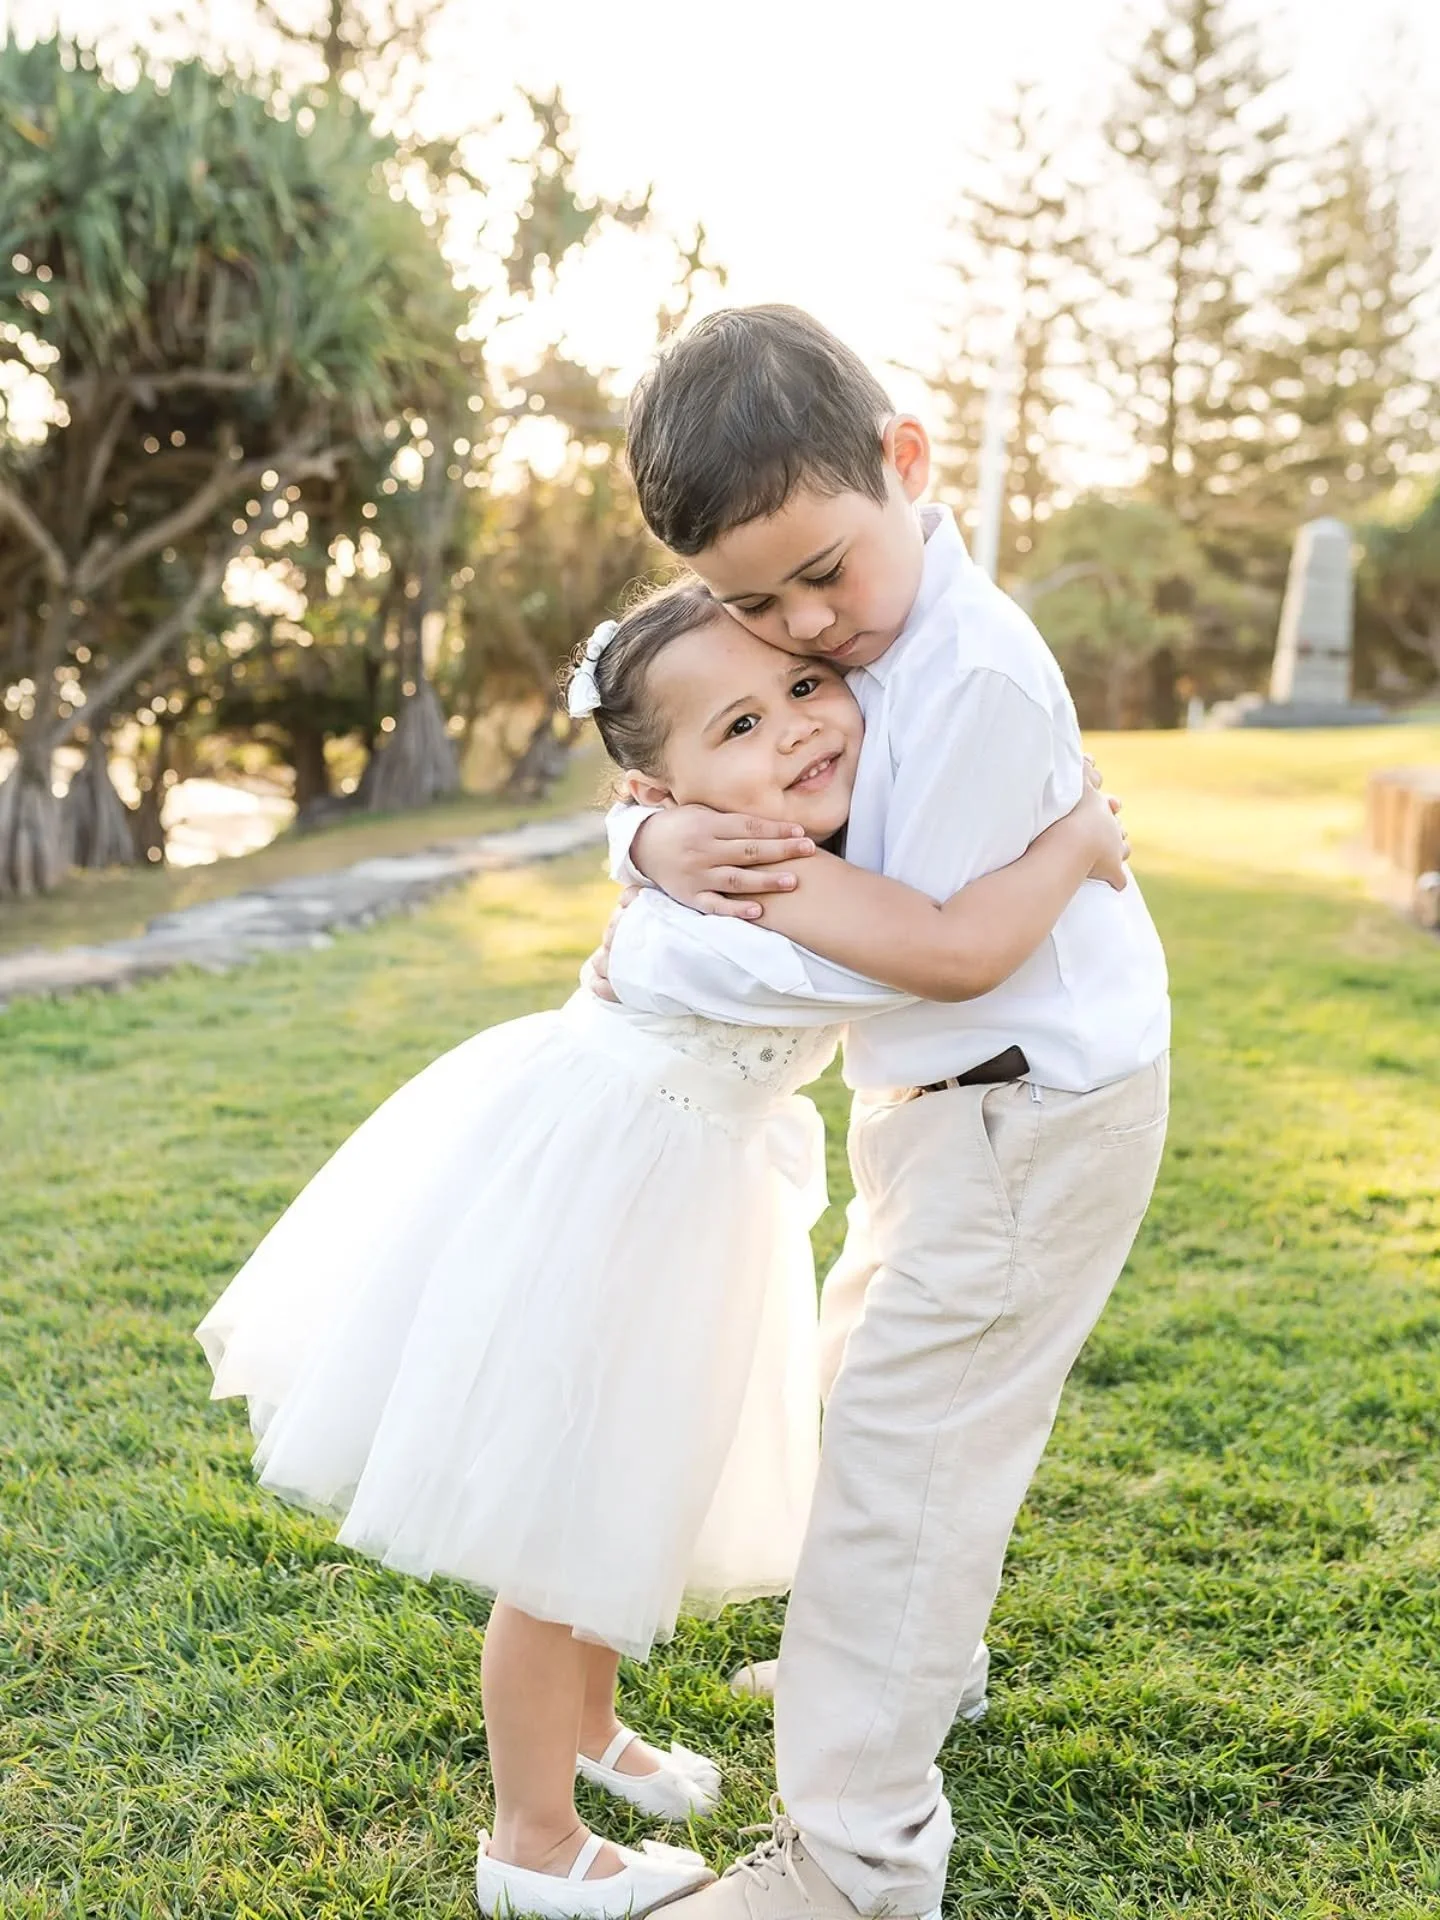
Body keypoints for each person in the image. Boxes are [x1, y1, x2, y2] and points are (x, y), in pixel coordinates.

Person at [195, 578, 1127, 1920]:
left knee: (617, 1483)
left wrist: (638, 837)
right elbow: (953, 951)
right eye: (742, 723)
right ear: (667, 784)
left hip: (665, 1174)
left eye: (806, 688)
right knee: (563, 1518)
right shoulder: (758, 885)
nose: (801, 730)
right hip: (614, 1198)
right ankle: (531, 1842)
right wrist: (1077, 839)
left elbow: (751, 843)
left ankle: (590, 1732)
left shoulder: (721, 839)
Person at [597, 306, 1172, 1920]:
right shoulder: (867, 633)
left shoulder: (974, 669)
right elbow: (667, 745)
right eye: (755, 603)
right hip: (946, 1107)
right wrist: (645, 846)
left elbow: (952, 944)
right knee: (873, 1399)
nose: (802, 631)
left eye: (822, 575)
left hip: (1030, 1110)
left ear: (907, 466)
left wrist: (1062, 847)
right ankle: (919, 1661)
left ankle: (854, 1864)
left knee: (911, 1452)